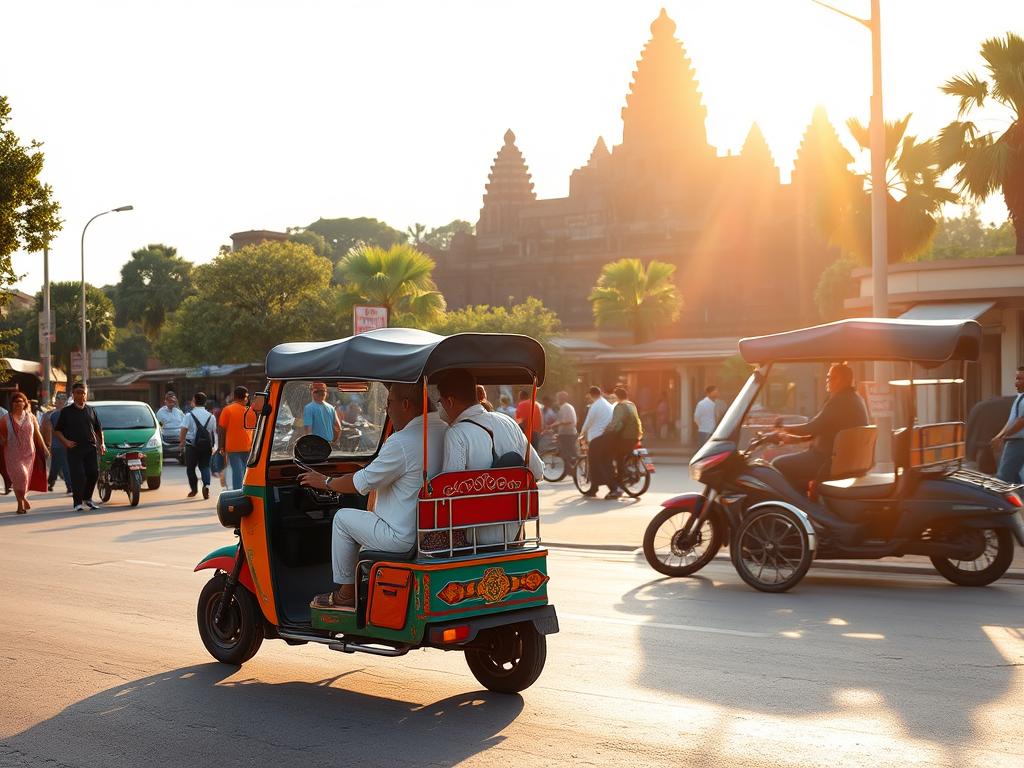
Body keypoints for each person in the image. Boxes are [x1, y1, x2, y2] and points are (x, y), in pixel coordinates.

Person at [300, 381, 447, 610]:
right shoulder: (444, 429)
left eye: (389, 403)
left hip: (401, 537)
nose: (386, 410)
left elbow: (360, 484)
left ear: (406, 405)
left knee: (342, 519)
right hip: (431, 531)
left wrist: (326, 482)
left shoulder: (401, 442)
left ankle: (346, 594)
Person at [434, 369, 544, 544]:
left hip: (475, 538)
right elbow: (537, 471)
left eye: (440, 402)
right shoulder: (508, 422)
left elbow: (450, 495)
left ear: (450, 400)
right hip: (515, 533)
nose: (441, 407)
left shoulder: (456, 434)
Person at [769, 363, 869, 494]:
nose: (828, 380)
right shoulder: (855, 399)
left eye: (832, 377)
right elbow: (820, 429)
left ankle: (797, 505)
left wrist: (783, 429)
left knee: (777, 464)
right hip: (840, 460)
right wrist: (793, 439)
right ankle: (808, 497)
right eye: (828, 377)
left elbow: (812, 427)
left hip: (825, 461)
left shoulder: (839, 400)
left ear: (844, 380)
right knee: (796, 479)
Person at [54, 382, 105, 512]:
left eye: (83, 393)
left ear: (86, 394)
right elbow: (57, 431)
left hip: (90, 447)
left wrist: (102, 443)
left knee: (93, 473)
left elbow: (98, 429)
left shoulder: (91, 410)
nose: (81, 395)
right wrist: (66, 442)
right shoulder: (66, 412)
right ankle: (77, 503)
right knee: (78, 475)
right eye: (78, 392)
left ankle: (88, 498)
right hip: (74, 449)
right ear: (73, 394)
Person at [0, 391, 48, 513]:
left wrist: (44, 448)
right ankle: (24, 500)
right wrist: (3, 439)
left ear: (25, 403)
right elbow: (2, 436)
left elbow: (37, 434)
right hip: (12, 453)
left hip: (28, 453)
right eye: (15, 402)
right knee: (20, 476)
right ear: (12, 404)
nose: (17, 404)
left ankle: (20, 504)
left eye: (20, 401)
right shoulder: (5, 419)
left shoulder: (31, 417)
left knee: (24, 478)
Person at [595, 386, 643, 499]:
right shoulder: (631, 404)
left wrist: (606, 431)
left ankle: (619, 483)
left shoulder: (620, 406)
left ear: (617, 397)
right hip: (635, 436)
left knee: (616, 457)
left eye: (614, 397)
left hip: (625, 438)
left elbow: (616, 423)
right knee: (621, 455)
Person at [179, 391, 218, 500]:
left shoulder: (189, 415)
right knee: (205, 467)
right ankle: (206, 486)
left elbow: (183, 430)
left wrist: (181, 442)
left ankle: (194, 489)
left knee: (190, 469)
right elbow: (213, 432)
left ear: (194, 401)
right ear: (205, 402)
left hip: (192, 446)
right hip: (206, 446)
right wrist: (214, 446)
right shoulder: (211, 417)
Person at [992, 367, 1024, 483]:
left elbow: (1021, 421)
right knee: (1015, 479)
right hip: (1014, 441)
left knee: (1003, 479)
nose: (1016, 382)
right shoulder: (1020, 398)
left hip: (1018, 442)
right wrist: (999, 436)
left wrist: (1003, 437)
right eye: (1016, 378)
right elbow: (1011, 421)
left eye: (1019, 379)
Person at [218, 386, 253, 490]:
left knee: (238, 472)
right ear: (246, 397)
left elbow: (221, 429)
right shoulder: (250, 411)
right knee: (247, 472)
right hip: (248, 447)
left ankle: (238, 493)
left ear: (234, 396)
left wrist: (221, 446)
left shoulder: (227, 410)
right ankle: (246, 492)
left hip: (233, 448)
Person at [42, 393, 72, 494]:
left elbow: (49, 430)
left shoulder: (53, 415)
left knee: (57, 465)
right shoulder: (56, 415)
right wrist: (49, 445)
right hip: (60, 445)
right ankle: (69, 485)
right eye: (59, 401)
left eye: (62, 402)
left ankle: (50, 483)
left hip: (61, 445)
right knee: (64, 465)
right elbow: (49, 430)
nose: (60, 403)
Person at [552, 390, 578, 469]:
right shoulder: (567, 406)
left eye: (557, 398)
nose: (556, 400)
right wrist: (551, 425)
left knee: (567, 453)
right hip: (567, 433)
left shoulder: (565, 407)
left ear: (561, 399)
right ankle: (571, 468)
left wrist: (556, 424)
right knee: (569, 452)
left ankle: (572, 469)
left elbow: (568, 421)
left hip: (567, 434)